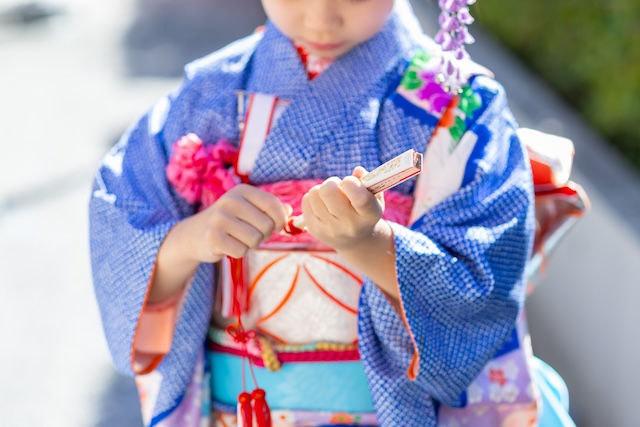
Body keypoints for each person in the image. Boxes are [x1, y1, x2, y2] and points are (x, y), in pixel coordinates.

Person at [90, 0, 583, 426]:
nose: (321, 17)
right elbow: (123, 217)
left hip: (386, 409)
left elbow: (483, 279)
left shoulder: (454, 104)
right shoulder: (210, 93)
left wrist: (368, 245)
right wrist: (190, 240)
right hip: (239, 405)